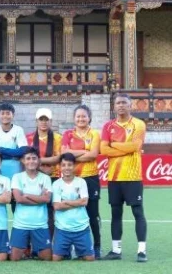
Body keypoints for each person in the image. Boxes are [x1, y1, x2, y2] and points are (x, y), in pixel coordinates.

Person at [101, 93, 148, 263]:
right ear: (114, 106)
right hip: (114, 178)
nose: (121, 105)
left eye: (124, 103)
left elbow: (135, 146)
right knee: (116, 213)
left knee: (138, 212)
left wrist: (113, 144)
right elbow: (103, 150)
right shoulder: (108, 126)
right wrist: (125, 149)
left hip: (133, 176)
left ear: (130, 105)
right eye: (118, 103)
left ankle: (141, 251)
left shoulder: (138, 124)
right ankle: (116, 250)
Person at [61, 104, 101, 258]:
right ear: (74, 119)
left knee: (92, 214)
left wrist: (74, 155)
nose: (81, 119)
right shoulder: (68, 134)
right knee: (71, 212)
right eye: (78, 116)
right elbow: (64, 154)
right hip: (72, 178)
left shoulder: (95, 134)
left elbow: (93, 155)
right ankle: (71, 248)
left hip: (90, 177)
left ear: (89, 118)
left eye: (84, 116)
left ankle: (96, 246)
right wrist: (85, 151)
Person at [10, 148, 52, 261]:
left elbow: (47, 199)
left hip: (40, 224)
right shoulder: (17, 177)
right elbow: (19, 199)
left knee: (47, 258)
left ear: (38, 160)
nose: (31, 161)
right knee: (14, 258)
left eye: (34, 158)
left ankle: (34, 251)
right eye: (28, 158)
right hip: (21, 224)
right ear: (23, 161)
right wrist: (39, 199)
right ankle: (27, 250)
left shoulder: (45, 178)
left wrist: (27, 195)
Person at [51, 153, 95, 262]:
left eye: (69, 165)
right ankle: (68, 251)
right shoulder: (56, 184)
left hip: (81, 227)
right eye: (64, 165)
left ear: (74, 166)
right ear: (60, 167)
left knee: (89, 258)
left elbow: (84, 201)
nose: (67, 168)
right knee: (56, 258)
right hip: (62, 228)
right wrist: (76, 203)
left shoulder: (81, 182)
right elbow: (57, 206)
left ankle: (78, 250)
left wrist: (66, 202)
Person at [27, 107, 62, 236]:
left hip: (53, 177)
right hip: (34, 177)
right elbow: (25, 158)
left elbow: (59, 157)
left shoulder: (58, 138)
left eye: (46, 119)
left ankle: (50, 240)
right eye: (41, 119)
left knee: (51, 210)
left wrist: (37, 161)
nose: (43, 122)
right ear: (36, 121)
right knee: (34, 207)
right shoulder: (29, 138)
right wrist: (41, 167)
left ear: (51, 121)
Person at [0, 103, 28, 180]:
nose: (5, 116)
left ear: (13, 115)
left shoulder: (18, 130)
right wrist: (13, 155)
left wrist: (1, 150)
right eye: (2, 113)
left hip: (15, 168)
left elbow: (23, 150)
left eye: (8, 113)